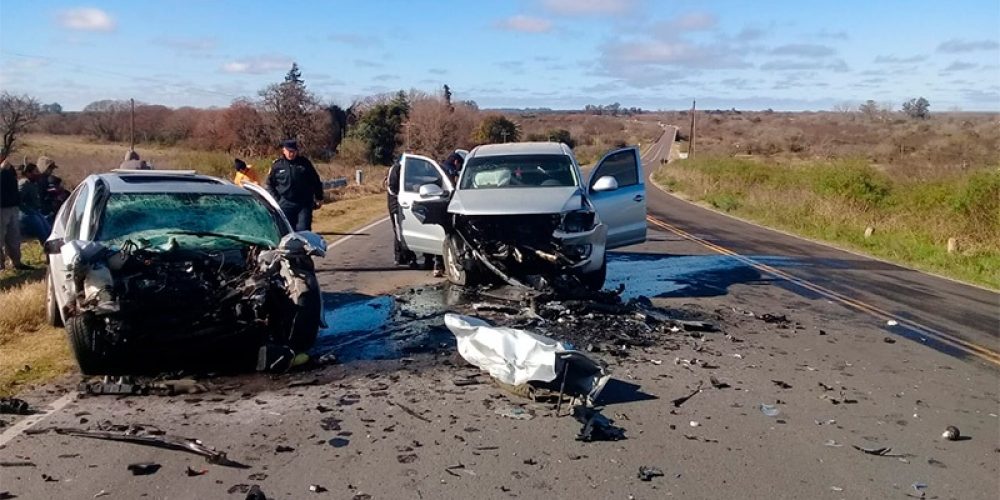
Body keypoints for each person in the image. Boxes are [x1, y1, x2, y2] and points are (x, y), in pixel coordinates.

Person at [266, 140, 323, 231]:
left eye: (293, 151)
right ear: (284, 150)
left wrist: (319, 197)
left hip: (303, 203)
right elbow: (270, 184)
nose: (291, 154)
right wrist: (277, 200)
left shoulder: (305, 163)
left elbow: (315, 181)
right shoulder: (277, 165)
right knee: (287, 232)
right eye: (289, 151)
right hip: (285, 203)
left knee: (303, 230)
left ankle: (302, 245)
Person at [385, 159, 415, 266]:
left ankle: (402, 256)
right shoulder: (397, 168)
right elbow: (391, 187)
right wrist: (401, 196)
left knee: (403, 229)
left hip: (402, 203)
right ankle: (403, 256)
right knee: (399, 231)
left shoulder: (405, 170)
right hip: (396, 204)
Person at [0, 156, 28, 270]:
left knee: (14, 237)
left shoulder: (9, 166)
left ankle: (16, 262)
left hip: (13, 206)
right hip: (1, 207)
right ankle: (1, 265)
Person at [16, 163, 52, 245]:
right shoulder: (24, 183)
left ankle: (51, 252)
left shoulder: (33, 183)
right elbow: (17, 199)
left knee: (49, 232)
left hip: (35, 212)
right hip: (27, 214)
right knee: (44, 236)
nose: (38, 173)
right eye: (35, 171)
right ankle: (49, 251)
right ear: (28, 173)